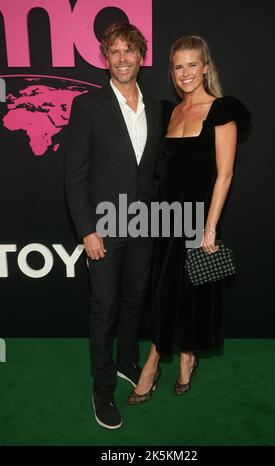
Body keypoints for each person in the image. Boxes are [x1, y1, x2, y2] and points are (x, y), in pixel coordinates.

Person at [128, 35, 251, 404]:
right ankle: (170, 357)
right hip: (167, 219)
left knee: (192, 294)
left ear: (206, 67)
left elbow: (224, 175)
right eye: (178, 66)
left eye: (192, 65)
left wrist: (210, 228)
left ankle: (170, 360)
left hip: (199, 221)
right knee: (165, 292)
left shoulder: (222, 110)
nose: (185, 73)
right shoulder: (170, 111)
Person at [65, 22, 162, 429]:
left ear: (141, 56)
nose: (122, 59)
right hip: (103, 227)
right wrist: (87, 229)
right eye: (115, 52)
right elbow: (75, 175)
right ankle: (102, 388)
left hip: (146, 224)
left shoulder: (157, 108)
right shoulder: (88, 106)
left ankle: (125, 360)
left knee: (135, 300)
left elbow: (156, 171)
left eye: (130, 51)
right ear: (106, 58)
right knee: (103, 308)